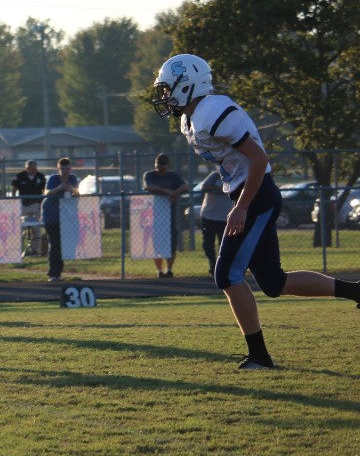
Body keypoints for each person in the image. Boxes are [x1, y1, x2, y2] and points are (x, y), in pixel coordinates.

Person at [150, 53, 360, 370]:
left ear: (187, 85)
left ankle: (260, 357)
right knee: (273, 282)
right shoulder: (189, 120)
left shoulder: (213, 110)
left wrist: (242, 207)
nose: (165, 95)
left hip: (257, 195)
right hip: (248, 193)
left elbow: (259, 159)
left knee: (227, 275)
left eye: (168, 88)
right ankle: (355, 290)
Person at [143, 153, 188, 277]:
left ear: (167, 164)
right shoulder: (149, 175)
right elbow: (149, 187)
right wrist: (166, 191)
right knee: (157, 243)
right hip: (154, 214)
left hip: (170, 214)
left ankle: (169, 269)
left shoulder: (173, 176)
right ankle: (159, 270)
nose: (159, 166)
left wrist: (175, 193)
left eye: (162, 163)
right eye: (157, 163)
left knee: (171, 243)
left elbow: (185, 187)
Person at [42, 157, 79, 282]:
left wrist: (71, 189)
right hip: (52, 216)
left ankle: (58, 273)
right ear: (58, 169)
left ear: (70, 169)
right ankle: (53, 274)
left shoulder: (72, 179)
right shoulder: (53, 179)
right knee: (54, 245)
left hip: (66, 217)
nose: (65, 171)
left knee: (62, 246)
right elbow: (47, 193)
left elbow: (77, 193)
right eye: (62, 169)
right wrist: (60, 188)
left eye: (67, 168)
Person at [198, 169, 234, 276]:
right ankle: (213, 265)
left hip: (225, 217)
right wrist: (222, 188)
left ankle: (222, 267)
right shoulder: (215, 175)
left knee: (224, 243)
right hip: (209, 215)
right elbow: (204, 187)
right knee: (208, 243)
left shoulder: (235, 176)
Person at [11, 159, 47, 256]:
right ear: (26, 168)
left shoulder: (40, 176)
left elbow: (44, 190)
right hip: (23, 205)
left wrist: (42, 202)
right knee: (20, 228)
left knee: (37, 229)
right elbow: (14, 188)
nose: (31, 170)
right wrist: (14, 201)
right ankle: (18, 250)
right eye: (29, 168)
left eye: (33, 168)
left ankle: (35, 250)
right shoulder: (20, 176)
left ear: (36, 168)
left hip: (36, 204)